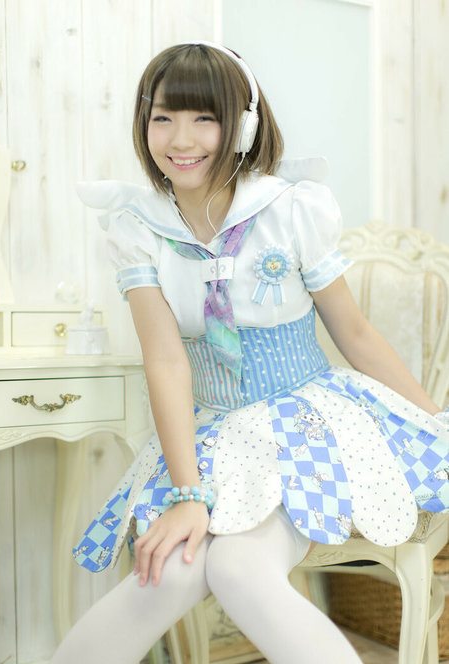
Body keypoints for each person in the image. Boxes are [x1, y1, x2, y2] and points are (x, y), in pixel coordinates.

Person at [51, 42, 449, 664]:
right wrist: (188, 495)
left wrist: (434, 427)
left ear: (241, 126)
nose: (180, 139)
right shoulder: (138, 227)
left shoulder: (290, 210)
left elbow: (354, 333)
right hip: (212, 434)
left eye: (203, 118)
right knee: (172, 570)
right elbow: (166, 361)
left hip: (308, 424)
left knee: (238, 567)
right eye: (162, 118)